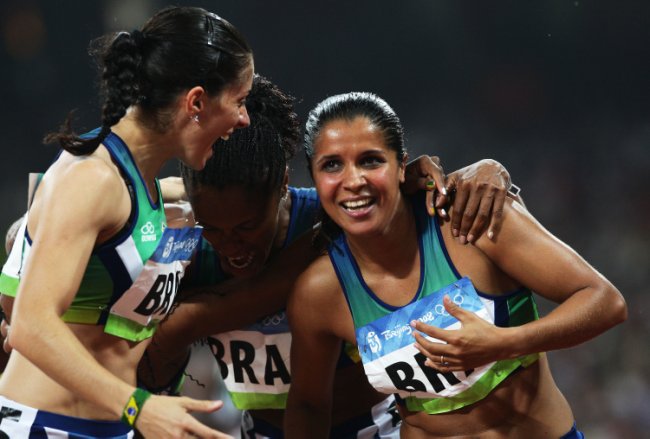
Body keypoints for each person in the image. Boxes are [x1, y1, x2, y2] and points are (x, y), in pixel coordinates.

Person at [140, 76, 521, 438]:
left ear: (283, 186)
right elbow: (149, 370)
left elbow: (408, 192)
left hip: (378, 427)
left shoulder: (335, 218)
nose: (232, 246)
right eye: (214, 228)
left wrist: (483, 169)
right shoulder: (182, 246)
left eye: (248, 227)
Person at [284, 92, 627, 438]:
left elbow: (605, 301)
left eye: (371, 161)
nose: (354, 180)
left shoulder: (472, 219)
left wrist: (505, 342)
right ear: (313, 178)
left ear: (402, 166)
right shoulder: (319, 293)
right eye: (331, 165)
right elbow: (307, 405)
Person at [0, 6, 253, 438]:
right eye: (240, 101)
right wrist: (139, 408)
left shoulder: (147, 185)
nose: (243, 120)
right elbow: (29, 326)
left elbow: (23, 245)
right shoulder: (91, 178)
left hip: (107, 426)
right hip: (44, 426)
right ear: (195, 102)